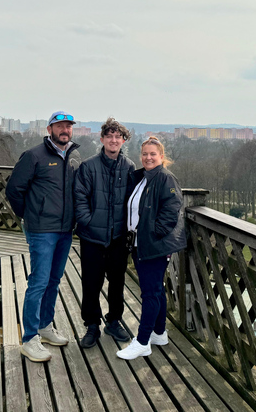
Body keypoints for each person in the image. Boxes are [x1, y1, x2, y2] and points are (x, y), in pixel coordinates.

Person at [6, 111, 81, 362]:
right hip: (41, 230)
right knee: (38, 282)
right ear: (49, 129)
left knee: (54, 280)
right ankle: (29, 338)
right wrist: (29, 216)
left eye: (68, 127)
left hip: (64, 230)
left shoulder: (72, 157)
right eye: (59, 126)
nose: (64, 130)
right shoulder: (34, 156)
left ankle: (45, 326)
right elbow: (14, 189)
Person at [117, 136, 185, 360]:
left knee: (149, 293)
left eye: (153, 154)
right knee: (156, 290)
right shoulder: (144, 178)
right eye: (145, 154)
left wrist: (154, 233)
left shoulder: (165, 178)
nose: (148, 157)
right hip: (140, 243)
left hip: (153, 245)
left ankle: (143, 341)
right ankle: (159, 332)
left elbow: (172, 209)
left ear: (162, 157)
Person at [74, 118, 136, 348]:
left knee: (117, 282)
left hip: (118, 237)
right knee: (91, 283)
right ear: (102, 139)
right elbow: (79, 197)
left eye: (117, 136)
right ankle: (92, 326)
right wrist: (87, 221)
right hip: (92, 237)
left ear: (123, 140)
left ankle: (113, 321)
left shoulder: (128, 166)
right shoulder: (89, 166)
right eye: (109, 136)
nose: (113, 140)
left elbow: (132, 200)